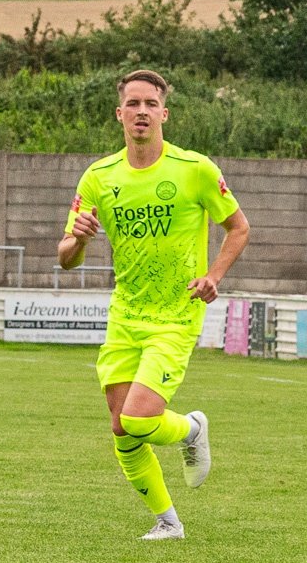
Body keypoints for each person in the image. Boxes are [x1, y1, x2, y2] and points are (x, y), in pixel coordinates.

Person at [59, 69, 250, 539]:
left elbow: (239, 227)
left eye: (150, 104)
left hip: (176, 313)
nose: (141, 111)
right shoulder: (99, 177)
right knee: (122, 432)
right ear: (119, 113)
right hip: (126, 315)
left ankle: (191, 430)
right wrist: (78, 240)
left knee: (138, 418)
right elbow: (65, 257)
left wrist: (214, 276)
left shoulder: (195, 169)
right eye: (133, 104)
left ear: (163, 113)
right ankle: (168, 522)